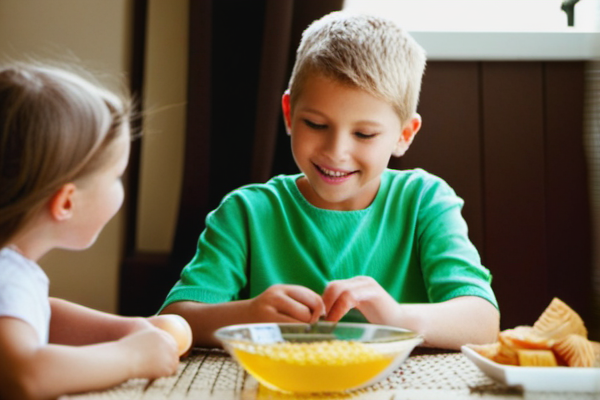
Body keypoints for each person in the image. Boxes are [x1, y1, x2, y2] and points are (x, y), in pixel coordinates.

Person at [160, 12, 500, 350]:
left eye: (364, 134)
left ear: (404, 135)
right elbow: (175, 319)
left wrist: (398, 318)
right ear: (289, 113)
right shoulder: (246, 212)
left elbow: (483, 322)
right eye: (316, 125)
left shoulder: (425, 202)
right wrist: (247, 313)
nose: (336, 152)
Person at [0, 63, 181, 400]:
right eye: (117, 176)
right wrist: (132, 357)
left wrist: (124, 328)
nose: (120, 187)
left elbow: (36, 312)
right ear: (66, 202)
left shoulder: (12, 274)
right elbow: (23, 375)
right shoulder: (7, 276)